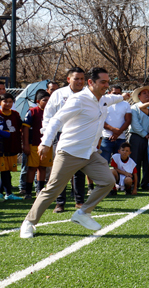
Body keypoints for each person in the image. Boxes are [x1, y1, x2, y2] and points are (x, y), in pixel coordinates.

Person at [20, 67, 126, 238]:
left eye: (108, 82)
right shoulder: (78, 100)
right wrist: (45, 143)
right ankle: (29, 223)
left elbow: (112, 98)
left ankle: (82, 213)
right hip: (69, 152)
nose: (106, 85)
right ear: (91, 83)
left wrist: (124, 97)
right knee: (53, 189)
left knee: (107, 181)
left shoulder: (102, 99)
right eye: (103, 82)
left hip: (90, 153)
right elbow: (56, 120)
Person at [46, 67, 90, 212]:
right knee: (60, 171)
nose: (79, 81)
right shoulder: (59, 94)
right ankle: (60, 203)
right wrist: (48, 137)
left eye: (82, 79)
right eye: (76, 78)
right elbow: (48, 116)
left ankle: (79, 201)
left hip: (80, 136)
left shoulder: (88, 94)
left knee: (79, 170)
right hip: (60, 136)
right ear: (68, 79)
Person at [22, 90, 51, 199]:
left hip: (47, 144)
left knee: (42, 168)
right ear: (38, 101)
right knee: (32, 168)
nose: (47, 102)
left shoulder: (52, 112)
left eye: (49, 100)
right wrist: (25, 144)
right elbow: (25, 128)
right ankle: (28, 192)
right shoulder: (32, 112)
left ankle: (40, 190)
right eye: (45, 100)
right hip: (33, 144)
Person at [128, 85, 149, 192]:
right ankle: (135, 183)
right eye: (144, 93)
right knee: (136, 161)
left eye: (148, 92)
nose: (147, 94)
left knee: (148, 161)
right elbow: (135, 124)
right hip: (137, 137)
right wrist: (145, 134)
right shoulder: (134, 108)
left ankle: (146, 183)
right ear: (139, 96)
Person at [99, 84, 132, 163]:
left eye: (119, 93)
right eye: (114, 93)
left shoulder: (126, 104)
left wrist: (117, 133)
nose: (117, 95)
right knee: (104, 163)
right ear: (109, 93)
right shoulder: (104, 103)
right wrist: (113, 129)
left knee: (119, 164)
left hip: (121, 139)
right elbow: (100, 120)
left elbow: (128, 120)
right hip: (106, 137)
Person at [0, 93, 23, 200]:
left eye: (10, 101)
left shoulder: (15, 114)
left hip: (12, 146)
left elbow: (19, 129)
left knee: (7, 170)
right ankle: (6, 193)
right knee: (3, 170)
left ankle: (6, 193)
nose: (8, 104)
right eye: (5, 101)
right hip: (1, 148)